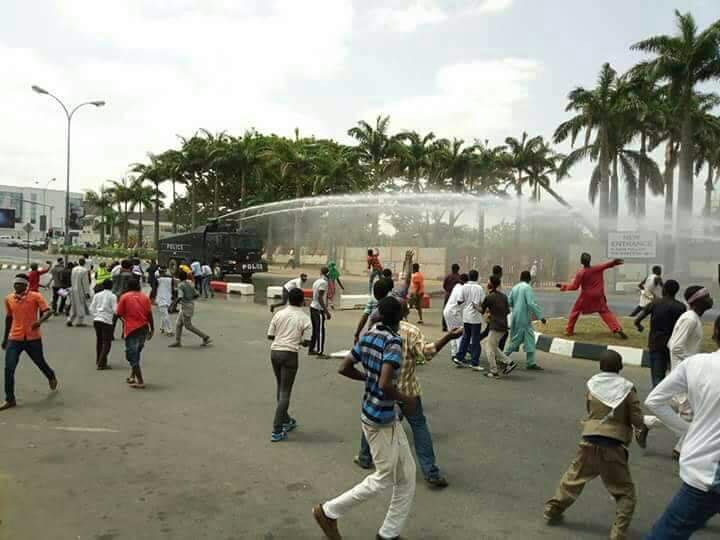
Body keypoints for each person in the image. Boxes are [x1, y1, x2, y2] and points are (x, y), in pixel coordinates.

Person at [313, 297, 416, 540]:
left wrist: (366, 378)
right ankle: (328, 512)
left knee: (407, 474)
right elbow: (384, 383)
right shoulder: (392, 342)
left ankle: (389, 533)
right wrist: (405, 399)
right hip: (382, 419)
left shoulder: (369, 335)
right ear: (400, 318)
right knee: (383, 478)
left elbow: (344, 368)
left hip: (375, 414)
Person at [354, 301, 462, 488]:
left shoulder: (374, 331)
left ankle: (364, 456)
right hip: (407, 390)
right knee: (419, 427)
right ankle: (430, 471)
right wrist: (448, 337)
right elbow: (427, 353)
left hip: (383, 390)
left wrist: (367, 377)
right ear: (404, 312)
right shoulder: (411, 332)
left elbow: (355, 360)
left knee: (372, 419)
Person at [544, 351, 643, 540]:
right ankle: (618, 533)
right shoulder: (628, 390)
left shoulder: (593, 385)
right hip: (614, 446)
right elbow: (637, 420)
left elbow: (590, 411)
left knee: (573, 478)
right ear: (620, 367)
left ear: (600, 366)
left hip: (589, 439)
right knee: (624, 492)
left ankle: (552, 509)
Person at [643, 315, 720, 539]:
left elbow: (654, 400)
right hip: (708, 473)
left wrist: (687, 431)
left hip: (706, 473)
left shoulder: (695, 364)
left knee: (666, 533)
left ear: (714, 333)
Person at [637, 285, 714, 454]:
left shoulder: (692, 318)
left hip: (687, 374)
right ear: (697, 300)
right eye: (706, 296)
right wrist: (694, 363)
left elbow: (674, 344)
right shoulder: (690, 319)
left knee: (689, 413)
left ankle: (652, 427)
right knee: (688, 413)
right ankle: (679, 448)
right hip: (685, 376)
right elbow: (675, 347)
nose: (711, 298)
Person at [0, 274, 57, 411]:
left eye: (19, 284)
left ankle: (50, 375)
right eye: (15, 284)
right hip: (15, 338)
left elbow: (48, 311)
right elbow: (9, 319)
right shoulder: (9, 299)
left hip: (33, 338)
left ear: (26, 285)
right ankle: (10, 399)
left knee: (39, 362)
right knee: (9, 368)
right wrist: (4, 338)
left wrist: (39, 321)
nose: (16, 286)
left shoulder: (35, 296)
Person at [267, 288, 312, 442]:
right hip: (290, 354)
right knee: (285, 392)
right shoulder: (304, 318)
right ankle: (277, 429)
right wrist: (298, 339)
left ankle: (286, 419)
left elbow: (270, 335)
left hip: (275, 352)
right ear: (302, 301)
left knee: (280, 387)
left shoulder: (279, 314)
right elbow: (307, 342)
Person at [556, 253, 627, 339]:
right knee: (605, 311)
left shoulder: (581, 273)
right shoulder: (597, 268)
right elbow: (606, 265)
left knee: (575, 312)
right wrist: (614, 262)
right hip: (599, 295)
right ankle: (617, 328)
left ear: (581, 262)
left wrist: (563, 287)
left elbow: (575, 287)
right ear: (590, 260)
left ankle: (569, 331)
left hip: (586, 296)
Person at [634, 279, 685, 388]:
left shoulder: (655, 303)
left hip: (656, 344)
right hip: (673, 345)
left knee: (657, 377)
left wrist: (639, 326)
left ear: (664, 290)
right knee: (674, 375)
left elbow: (637, 320)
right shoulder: (681, 307)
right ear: (676, 291)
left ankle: (658, 400)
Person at [354, 251, 414, 343]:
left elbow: (366, 319)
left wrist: (358, 334)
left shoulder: (374, 306)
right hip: (394, 338)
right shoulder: (397, 298)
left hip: (376, 341)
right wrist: (409, 261)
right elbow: (407, 279)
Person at [115, 278, 154, 389]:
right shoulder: (144, 297)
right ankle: (133, 376)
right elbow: (149, 314)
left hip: (131, 329)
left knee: (131, 355)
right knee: (136, 352)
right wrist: (152, 328)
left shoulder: (125, 297)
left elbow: (118, 313)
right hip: (143, 328)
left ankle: (140, 381)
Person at [505, 270, 547, 371]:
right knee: (517, 339)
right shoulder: (527, 288)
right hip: (524, 318)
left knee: (530, 339)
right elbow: (531, 303)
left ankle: (530, 362)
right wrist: (540, 316)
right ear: (529, 279)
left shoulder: (515, 287)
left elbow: (509, 302)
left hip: (516, 316)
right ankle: (502, 357)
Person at [481, 274, 513, 379]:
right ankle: (509, 362)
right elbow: (507, 311)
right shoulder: (503, 296)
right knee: (493, 346)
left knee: (488, 347)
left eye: (488, 282)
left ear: (490, 284)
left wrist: (475, 306)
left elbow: (482, 310)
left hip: (495, 326)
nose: (487, 283)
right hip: (503, 326)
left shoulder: (489, 297)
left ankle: (494, 370)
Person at [169, 270, 211, 348]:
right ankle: (177, 341)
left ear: (179, 277)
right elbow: (197, 294)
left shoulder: (180, 285)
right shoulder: (190, 283)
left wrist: (173, 305)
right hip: (189, 305)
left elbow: (180, 297)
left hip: (186, 307)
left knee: (188, 326)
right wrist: (189, 298)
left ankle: (205, 337)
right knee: (178, 324)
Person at [453, 269, 485, 370]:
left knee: (465, 337)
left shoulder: (464, 287)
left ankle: (459, 357)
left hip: (466, 315)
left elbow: (459, 301)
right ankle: (474, 363)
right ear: (477, 277)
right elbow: (483, 302)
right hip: (475, 317)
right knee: (475, 339)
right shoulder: (479, 288)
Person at [89, 279, 116, 370]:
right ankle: (101, 362)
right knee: (107, 342)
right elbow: (115, 310)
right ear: (112, 286)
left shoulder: (97, 295)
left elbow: (91, 308)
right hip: (107, 320)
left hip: (97, 319)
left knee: (99, 341)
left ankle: (99, 359)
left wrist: (97, 314)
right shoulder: (112, 296)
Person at [443, 273, 468, 362]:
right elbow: (459, 301)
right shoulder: (461, 288)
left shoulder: (456, 286)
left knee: (452, 333)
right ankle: (459, 355)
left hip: (447, 311)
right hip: (454, 312)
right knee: (459, 333)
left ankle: (454, 354)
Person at [309, 267, 331, 357]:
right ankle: (320, 352)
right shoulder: (324, 283)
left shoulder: (317, 281)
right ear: (327, 274)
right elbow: (320, 297)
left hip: (313, 307)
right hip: (318, 309)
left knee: (315, 330)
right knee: (320, 331)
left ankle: (311, 349)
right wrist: (327, 312)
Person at [67, 258, 91, 327]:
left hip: (73, 289)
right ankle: (79, 322)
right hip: (80, 290)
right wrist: (87, 292)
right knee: (81, 305)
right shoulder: (84, 270)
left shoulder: (74, 269)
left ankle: (70, 320)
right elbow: (85, 282)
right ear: (84, 263)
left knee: (74, 306)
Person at [155, 267, 175, 336]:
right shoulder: (170, 279)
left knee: (165, 314)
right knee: (164, 313)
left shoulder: (158, 279)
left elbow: (154, 289)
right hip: (168, 297)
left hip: (161, 298)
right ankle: (162, 328)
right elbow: (173, 288)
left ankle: (169, 330)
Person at [442, 263, 462, 331]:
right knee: (455, 310)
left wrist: (447, 290)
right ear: (458, 269)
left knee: (445, 309)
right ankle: (454, 326)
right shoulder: (459, 277)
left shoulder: (448, 276)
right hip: (456, 296)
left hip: (448, 294)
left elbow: (444, 285)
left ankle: (444, 326)